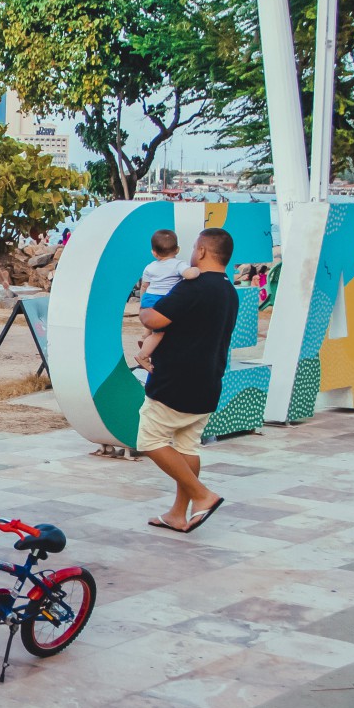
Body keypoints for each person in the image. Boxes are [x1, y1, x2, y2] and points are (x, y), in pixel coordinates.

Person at [135, 227, 236, 533]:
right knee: (187, 446)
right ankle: (178, 514)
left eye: (194, 247)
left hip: (175, 382)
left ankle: (202, 496)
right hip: (209, 381)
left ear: (202, 251)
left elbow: (154, 318)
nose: (192, 252)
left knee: (150, 441)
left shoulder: (193, 287)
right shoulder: (228, 291)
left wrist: (143, 306)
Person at [134, 229, 188, 370]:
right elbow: (188, 274)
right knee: (158, 334)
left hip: (149, 299)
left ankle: (145, 336)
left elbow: (144, 286)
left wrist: (142, 304)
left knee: (151, 324)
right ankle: (143, 355)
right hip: (163, 302)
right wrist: (196, 271)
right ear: (177, 250)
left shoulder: (150, 267)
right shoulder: (178, 264)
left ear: (154, 252)